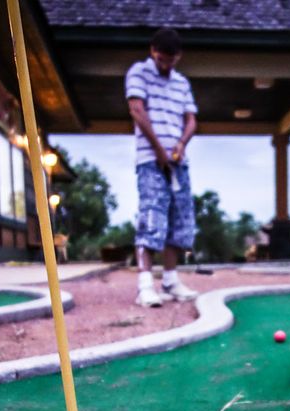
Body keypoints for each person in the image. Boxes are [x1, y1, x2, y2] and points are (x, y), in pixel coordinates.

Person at [126, 28, 199, 308]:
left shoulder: (181, 82)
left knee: (179, 219)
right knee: (152, 216)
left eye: (171, 60)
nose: (165, 64)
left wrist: (180, 145)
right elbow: (137, 110)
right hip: (150, 159)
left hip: (178, 162)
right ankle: (145, 285)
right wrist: (159, 150)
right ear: (152, 50)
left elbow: (191, 120)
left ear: (178, 56)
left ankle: (170, 280)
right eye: (161, 58)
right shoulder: (138, 72)